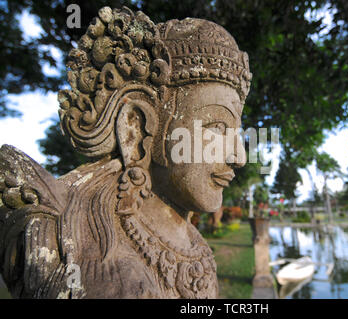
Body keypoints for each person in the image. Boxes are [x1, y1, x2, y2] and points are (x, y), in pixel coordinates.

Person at [0, 6, 251, 298]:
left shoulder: (195, 245)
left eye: (237, 132)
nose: (239, 157)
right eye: (218, 127)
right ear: (138, 128)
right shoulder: (98, 265)